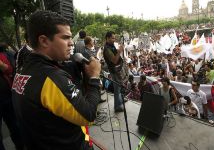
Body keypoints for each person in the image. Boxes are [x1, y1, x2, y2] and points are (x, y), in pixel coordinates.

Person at [12, 10, 101, 150]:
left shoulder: (23, 68)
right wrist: (94, 77)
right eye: (65, 38)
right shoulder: (52, 78)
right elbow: (88, 116)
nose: (71, 43)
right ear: (44, 41)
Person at [0, 43, 24, 150]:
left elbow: (11, 70)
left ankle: (21, 146)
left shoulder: (4, 54)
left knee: (15, 126)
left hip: (7, 97)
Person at [103, 31, 126, 112]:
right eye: (112, 38)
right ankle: (117, 106)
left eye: (114, 37)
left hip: (117, 69)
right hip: (114, 70)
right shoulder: (106, 49)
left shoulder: (111, 46)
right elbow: (114, 61)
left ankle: (119, 100)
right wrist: (119, 51)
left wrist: (118, 50)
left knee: (119, 86)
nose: (114, 39)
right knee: (117, 88)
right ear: (107, 38)